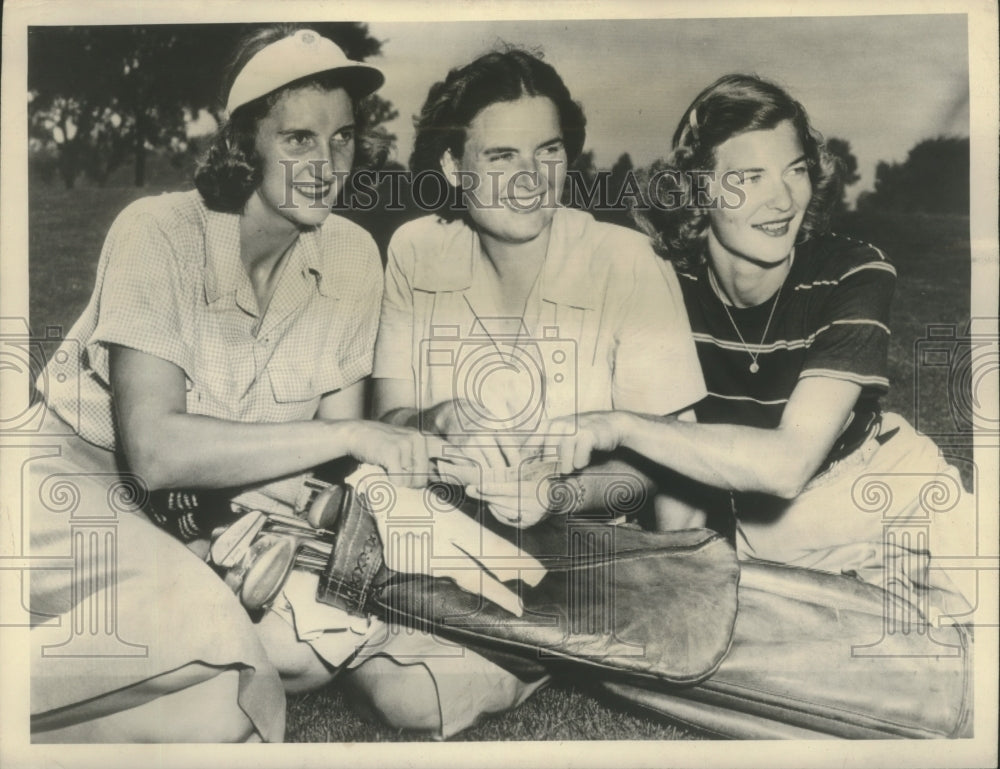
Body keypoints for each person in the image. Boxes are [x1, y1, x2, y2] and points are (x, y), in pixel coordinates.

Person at [29, 25, 437, 743]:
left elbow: (315, 471)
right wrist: (350, 433)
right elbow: (154, 449)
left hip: (201, 512)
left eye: (342, 138)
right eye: (298, 139)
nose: (327, 164)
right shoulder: (157, 232)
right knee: (217, 638)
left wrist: (266, 524)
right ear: (245, 140)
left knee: (286, 664)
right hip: (73, 481)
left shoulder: (351, 256)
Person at [349, 48, 706, 735]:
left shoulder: (625, 261)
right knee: (303, 648)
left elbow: (668, 475)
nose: (528, 181)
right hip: (443, 546)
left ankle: (559, 651)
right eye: (501, 157)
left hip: (581, 561)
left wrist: (558, 492)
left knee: (408, 693)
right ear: (454, 167)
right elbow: (388, 421)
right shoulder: (416, 250)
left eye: (546, 152)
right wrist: (439, 418)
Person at [543, 74, 973, 619]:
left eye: (795, 170)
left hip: (888, 496)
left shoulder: (851, 271)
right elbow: (677, 465)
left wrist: (620, 423)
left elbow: (787, 465)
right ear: (698, 190)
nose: (782, 198)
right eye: (749, 177)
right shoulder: (664, 286)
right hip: (764, 540)